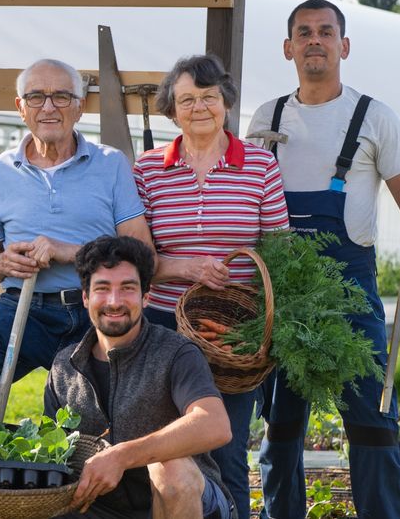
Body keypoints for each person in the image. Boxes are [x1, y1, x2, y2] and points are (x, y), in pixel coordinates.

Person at [247, 0, 400, 519]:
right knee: (281, 426)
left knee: (372, 424)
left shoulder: (375, 116)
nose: (315, 40)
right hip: (284, 297)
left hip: (352, 293)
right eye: (304, 32)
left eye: (326, 32)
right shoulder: (268, 118)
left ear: (344, 45)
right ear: (288, 48)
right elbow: (248, 202)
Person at [0, 58, 151, 420]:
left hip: (92, 312)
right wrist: (2, 262)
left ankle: (74, 472)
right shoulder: (1, 170)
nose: (48, 107)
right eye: (36, 97)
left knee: (80, 415)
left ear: (80, 107)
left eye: (61, 96)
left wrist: (70, 253)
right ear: (20, 108)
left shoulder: (110, 164)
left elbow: (142, 255)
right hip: (22, 308)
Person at [133, 54, 289, 512]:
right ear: (171, 108)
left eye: (209, 97)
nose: (199, 107)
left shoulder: (260, 166)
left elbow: (280, 255)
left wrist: (261, 325)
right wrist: (188, 267)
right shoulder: (147, 170)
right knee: (161, 443)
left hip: (234, 333)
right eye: (187, 99)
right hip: (164, 324)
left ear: (226, 103)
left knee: (226, 448)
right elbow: (139, 261)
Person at [46, 235, 235, 519]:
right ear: (85, 298)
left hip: (192, 502)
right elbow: (51, 456)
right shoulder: (64, 367)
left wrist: (121, 456)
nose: (114, 301)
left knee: (171, 470)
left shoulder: (176, 352)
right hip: (99, 509)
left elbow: (215, 425)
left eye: (127, 288)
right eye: (102, 288)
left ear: (146, 296)